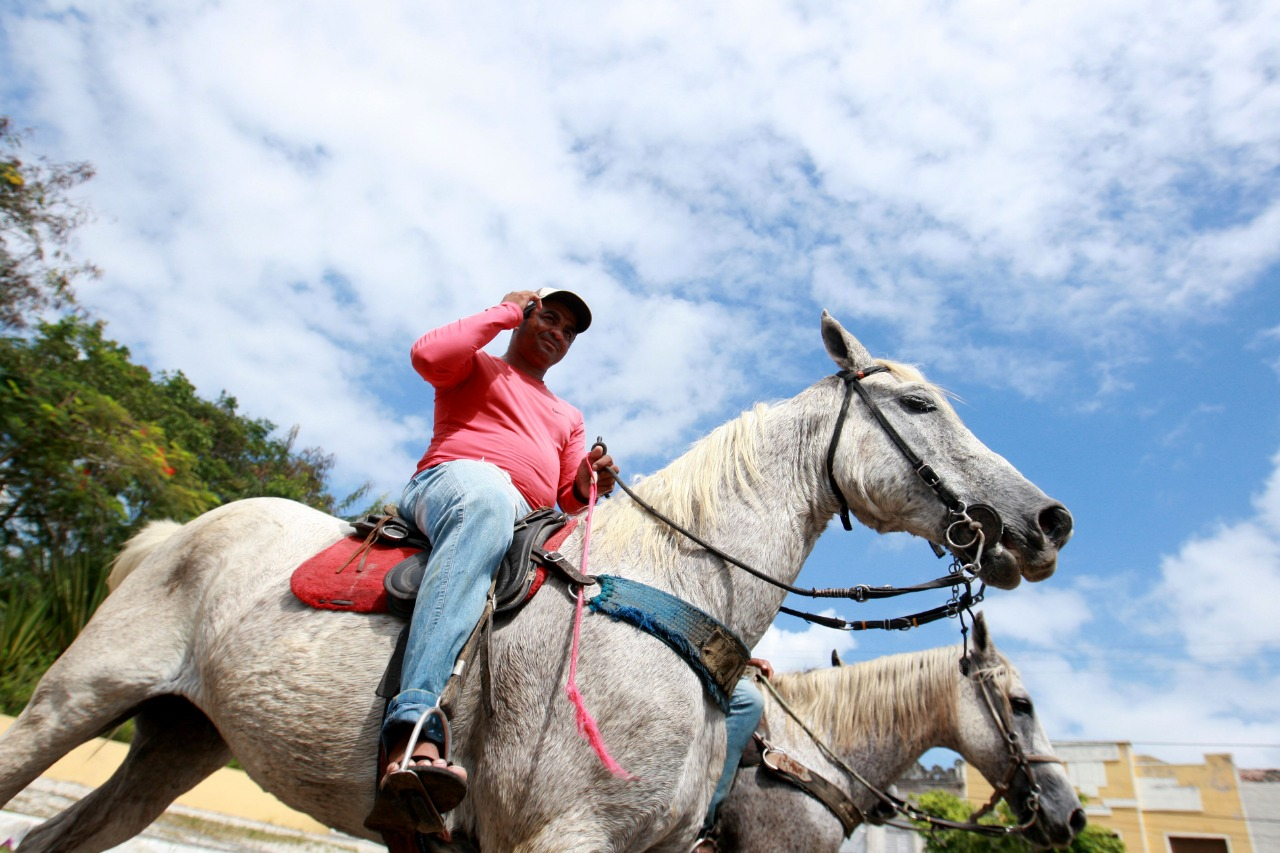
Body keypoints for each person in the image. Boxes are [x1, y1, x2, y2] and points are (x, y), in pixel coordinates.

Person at [373, 287, 616, 832]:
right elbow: (427, 356)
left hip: (530, 516)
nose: (558, 332)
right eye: (547, 318)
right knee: (485, 499)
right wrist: (505, 309)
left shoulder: (567, 414)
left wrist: (587, 483)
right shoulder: (476, 364)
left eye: (569, 331)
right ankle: (413, 724)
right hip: (456, 482)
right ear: (523, 318)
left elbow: (568, 497)